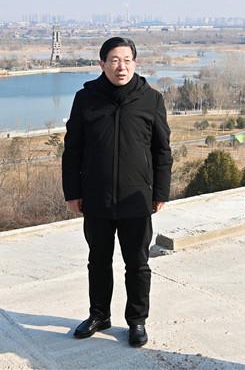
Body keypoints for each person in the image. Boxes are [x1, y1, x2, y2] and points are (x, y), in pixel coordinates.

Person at [62, 37, 172, 347]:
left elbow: (162, 150)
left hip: (136, 198)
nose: (120, 66)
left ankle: (137, 321)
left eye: (126, 60)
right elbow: (72, 150)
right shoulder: (86, 98)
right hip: (96, 196)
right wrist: (72, 192)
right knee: (98, 260)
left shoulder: (151, 99)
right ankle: (99, 314)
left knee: (137, 263)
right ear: (102, 64)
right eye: (113, 60)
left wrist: (160, 191)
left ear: (135, 63)